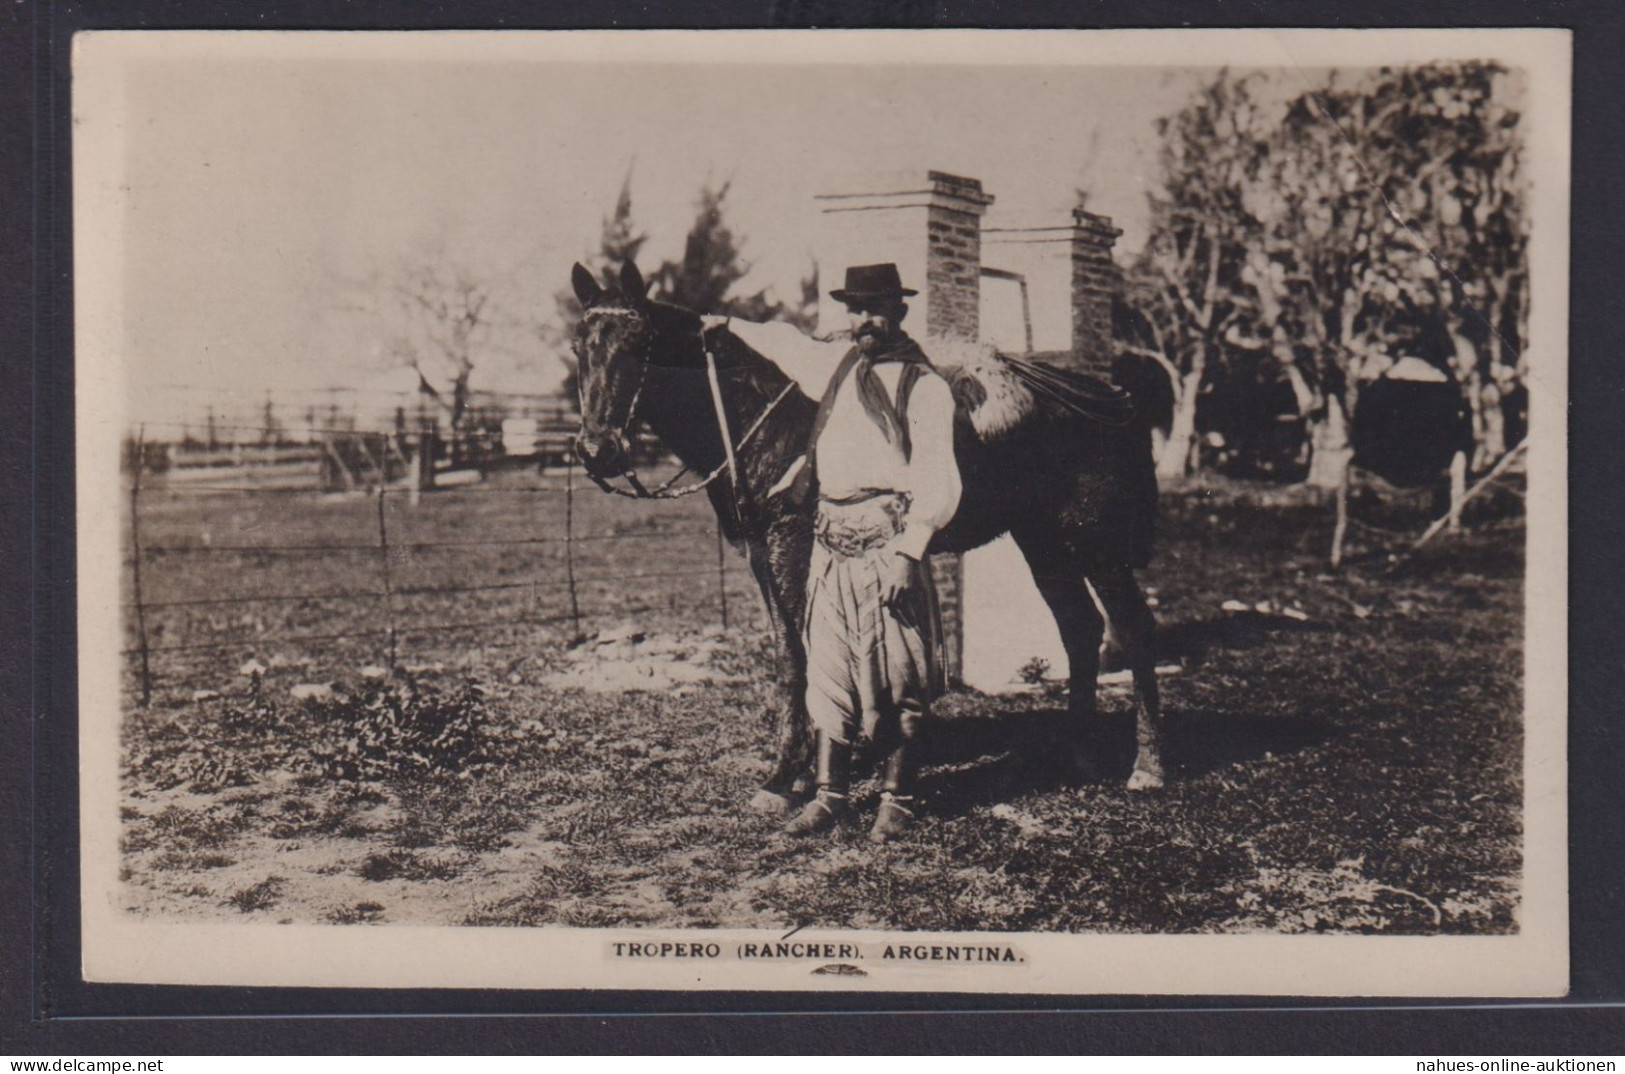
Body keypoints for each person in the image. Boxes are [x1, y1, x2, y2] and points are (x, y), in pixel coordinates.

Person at [703, 263, 962, 842]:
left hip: (888, 539)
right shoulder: (836, 368)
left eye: (875, 308)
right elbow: (782, 340)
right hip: (831, 538)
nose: (862, 319)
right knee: (830, 667)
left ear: (899, 311)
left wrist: (909, 551)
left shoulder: (926, 387)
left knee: (898, 670)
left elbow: (939, 479)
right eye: (855, 308)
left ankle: (900, 800)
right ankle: (829, 797)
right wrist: (717, 320)